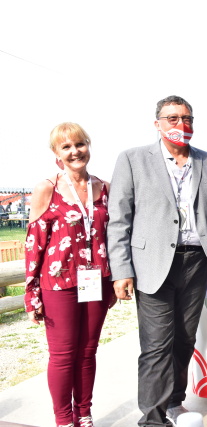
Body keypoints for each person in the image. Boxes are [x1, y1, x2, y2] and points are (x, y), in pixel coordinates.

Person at [107, 95, 207, 427]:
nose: (182, 125)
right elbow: (119, 219)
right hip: (152, 264)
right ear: (158, 124)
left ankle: (174, 402)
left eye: (188, 119)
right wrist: (121, 270)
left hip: (196, 264)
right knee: (156, 344)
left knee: (184, 338)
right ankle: (151, 419)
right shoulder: (133, 159)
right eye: (173, 118)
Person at [24, 122, 116, 427]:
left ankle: (84, 413)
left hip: (96, 282)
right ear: (56, 154)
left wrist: (114, 279)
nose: (75, 151)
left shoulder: (103, 187)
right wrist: (31, 292)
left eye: (80, 144)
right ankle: (64, 420)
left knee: (88, 351)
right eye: (67, 147)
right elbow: (34, 243)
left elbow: (112, 236)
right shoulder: (46, 188)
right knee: (64, 355)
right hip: (59, 284)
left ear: (88, 146)